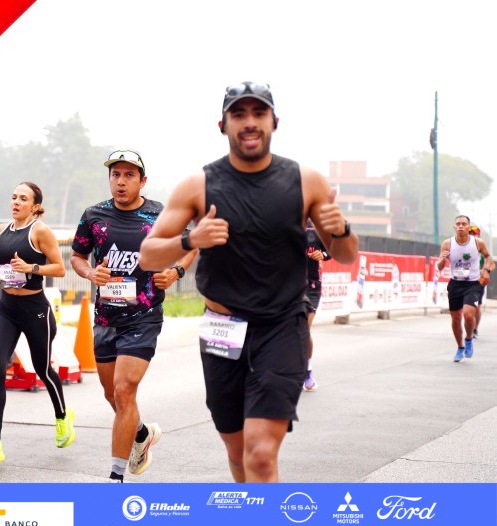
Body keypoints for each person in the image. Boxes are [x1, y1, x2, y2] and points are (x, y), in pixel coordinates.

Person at [139, 81, 359, 482]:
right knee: (238, 453)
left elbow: (346, 255)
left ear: (275, 121)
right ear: (222, 125)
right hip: (222, 327)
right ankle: (252, 513)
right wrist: (190, 240)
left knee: (259, 454)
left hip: (282, 326)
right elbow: (148, 255)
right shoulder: (198, 186)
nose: (250, 122)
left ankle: (261, 523)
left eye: (259, 113)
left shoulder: (306, 181)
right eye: (239, 114)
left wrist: (340, 228)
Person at [70, 149, 197, 483]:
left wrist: (176, 272)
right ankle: (141, 433)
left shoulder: (160, 215)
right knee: (111, 394)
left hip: (144, 315)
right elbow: (77, 256)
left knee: (124, 390)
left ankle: (115, 478)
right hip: (105, 318)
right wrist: (89, 273)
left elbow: (191, 244)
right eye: (115, 175)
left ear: (143, 181)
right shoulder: (94, 215)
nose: (121, 181)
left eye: (129, 175)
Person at [0, 181, 74, 462]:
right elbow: (3, 261)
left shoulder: (40, 231)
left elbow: (60, 268)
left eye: (23, 199)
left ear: (35, 206)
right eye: (14, 197)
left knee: (43, 369)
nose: (16, 202)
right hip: (7, 308)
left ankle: (62, 417)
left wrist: (31, 267)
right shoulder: (0, 231)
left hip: (35, 310)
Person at [436, 215, 492, 362]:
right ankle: (460, 347)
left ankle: (468, 339)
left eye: (464, 224)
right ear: (454, 227)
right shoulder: (447, 244)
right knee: (455, 318)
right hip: (455, 284)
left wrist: (486, 270)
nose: (461, 226)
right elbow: (440, 267)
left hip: (472, 284)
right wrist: (442, 259)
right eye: (458, 224)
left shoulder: (477, 242)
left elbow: (488, 257)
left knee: (468, 314)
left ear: (468, 227)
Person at [303, 220, 331, 391]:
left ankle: (307, 371)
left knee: (303, 328)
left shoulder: (315, 228)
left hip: (311, 287)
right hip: (288, 285)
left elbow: (332, 250)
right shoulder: (283, 223)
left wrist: (323, 254)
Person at [468, 225, 492, 338]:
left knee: (476, 305)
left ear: (478, 236)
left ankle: (475, 329)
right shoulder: (462, 247)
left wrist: (485, 270)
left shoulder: (482, 249)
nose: (472, 236)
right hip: (465, 281)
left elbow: (491, 263)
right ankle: (469, 326)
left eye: (475, 234)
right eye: (470, 234)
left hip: (478, 282)